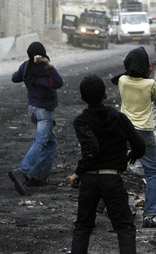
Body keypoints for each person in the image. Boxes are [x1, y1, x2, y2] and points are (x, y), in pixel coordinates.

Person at [70, 74, 146, 254]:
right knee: (124, 227)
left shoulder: (81, 121)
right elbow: (140, 146)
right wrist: (128, 156)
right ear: (105, 95)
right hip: (112, 178)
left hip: (89, 179)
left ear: (82, 97)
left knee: (83, 227)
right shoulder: (119, 118)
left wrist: (77, 173)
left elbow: (91, 150)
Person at [111, 47, 156, 228]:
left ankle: (102, 206)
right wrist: (148, 73)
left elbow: (118, 77)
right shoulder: (150, 84)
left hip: (124, 129)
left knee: (115, 167)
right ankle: (151, 213)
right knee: (152, 171)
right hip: (143, 131)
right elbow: (152, 99)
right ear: (146, 66)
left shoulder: (122, 81)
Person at [8, 41, 63, 195]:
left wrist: (25, 72)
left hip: (32, 110)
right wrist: (50, 65)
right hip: (44, 112)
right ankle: (23, 171)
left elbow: (15, 78)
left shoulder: (26, 66)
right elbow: (58, 83)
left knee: (50, 142)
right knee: (40, 142)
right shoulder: (46, 69)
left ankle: (37, 176)